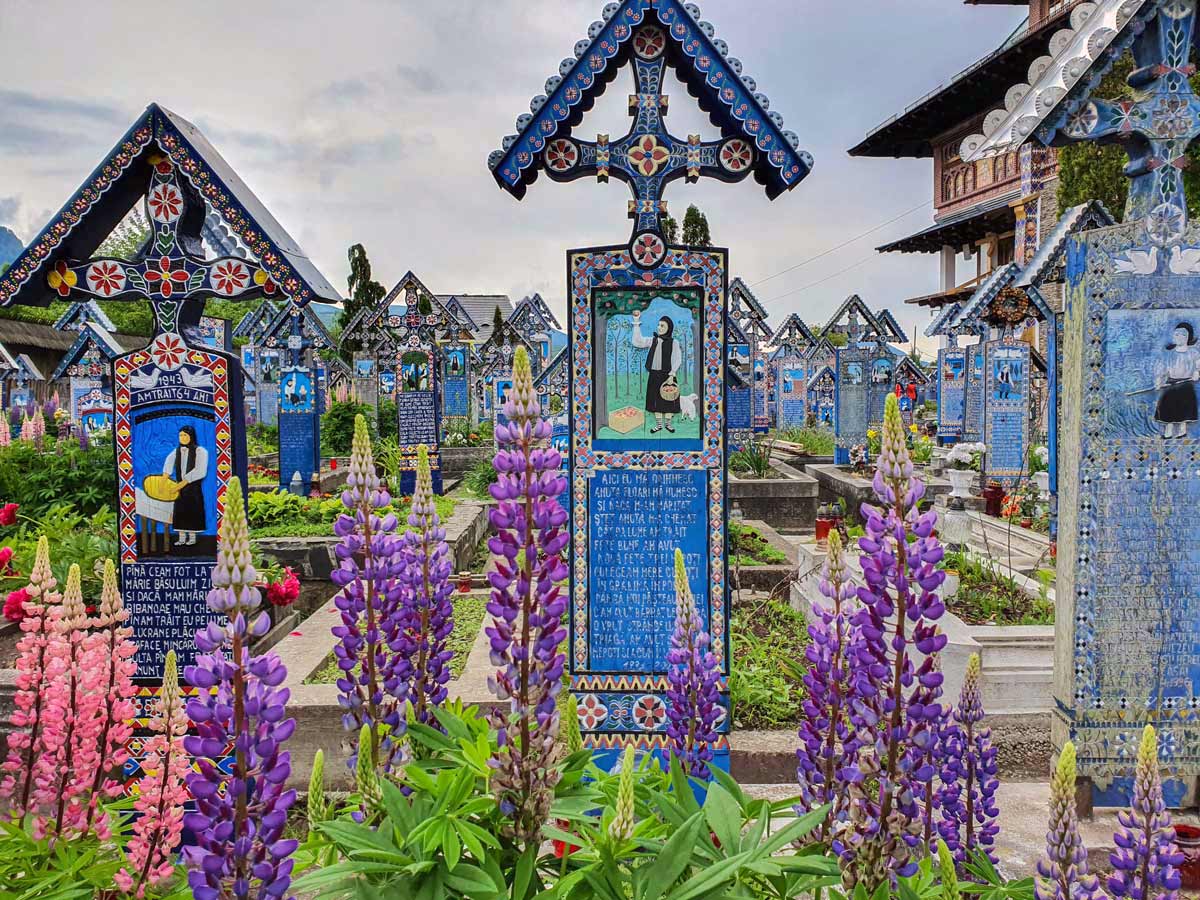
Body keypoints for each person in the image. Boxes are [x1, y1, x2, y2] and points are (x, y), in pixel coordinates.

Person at [631, 310, 682, 434]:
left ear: (669, 328)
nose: (659, 328)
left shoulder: (674, 343)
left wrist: (672, 374)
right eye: (658, 325)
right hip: (654, 374)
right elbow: (637, 342)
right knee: (655, 401)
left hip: (668, 375)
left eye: (662, 326)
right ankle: (659, 425)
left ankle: (668, 424)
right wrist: (636, 322)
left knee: (669, 400)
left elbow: (677, 358)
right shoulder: (653, 340)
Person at [164, 425, 208, 546]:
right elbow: (168, 462)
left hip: (193, 489)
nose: (182, 438)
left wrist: (182, 483)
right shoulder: (177, 451)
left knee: (192, 511)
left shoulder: (200, 451)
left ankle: (192, 538)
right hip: (180, 490)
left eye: (185, 435)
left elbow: (200, 471)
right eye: (180, 435)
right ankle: (182, 538)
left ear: (191, 436)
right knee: (180, 511)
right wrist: (163, 479)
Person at [1154, 322, 1200, 439]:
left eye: (1183, 335)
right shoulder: (1169, 354)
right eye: (1177, 334)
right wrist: (1159, 381)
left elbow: (1197, 366)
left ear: (1188, 337)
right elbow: (1162, 369)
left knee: (1184, 407)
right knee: (1168, 407)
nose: (1179, 337)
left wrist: (1196, 373)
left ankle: (1182, 431)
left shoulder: (1193, 353)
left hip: (1186, 384)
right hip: (1170, 384)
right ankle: (1168, 432)